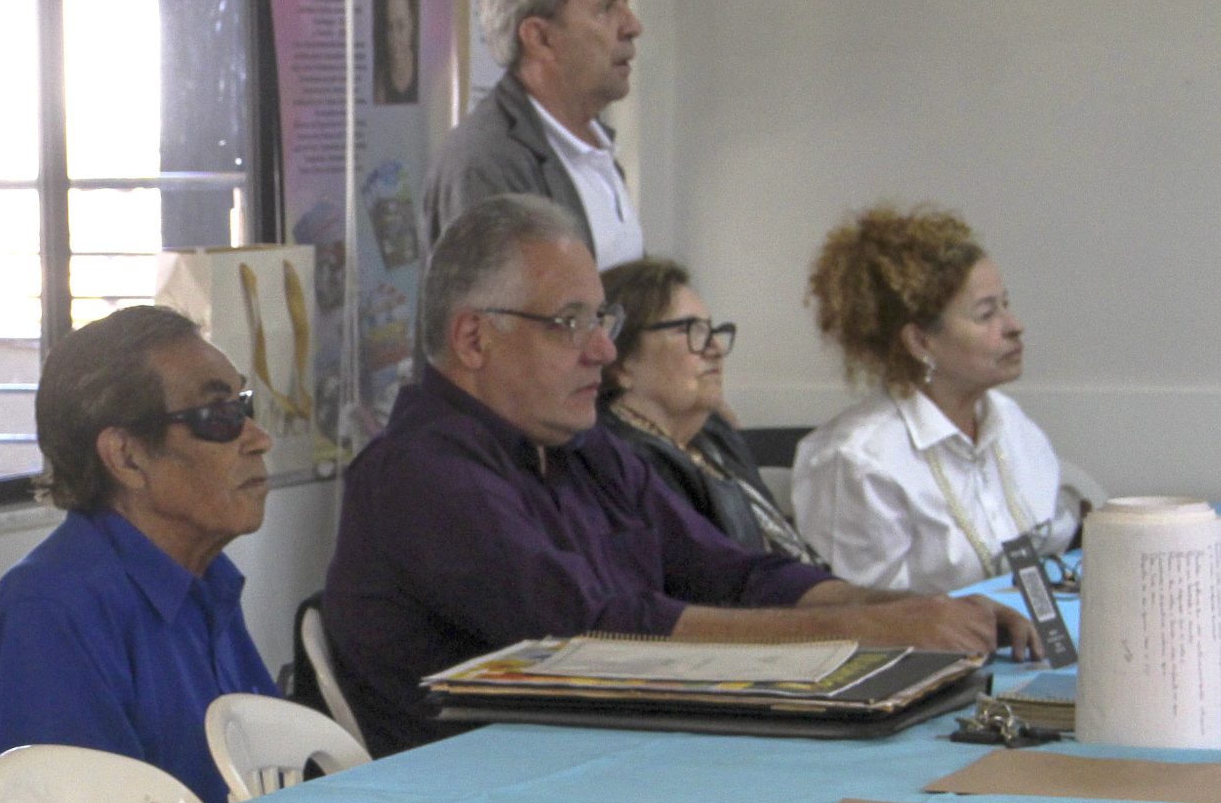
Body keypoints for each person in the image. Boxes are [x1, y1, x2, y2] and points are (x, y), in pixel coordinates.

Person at [322, 196, 1036, 757]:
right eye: (570, 323)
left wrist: (913, 609)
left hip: (614, 767)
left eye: (602, 320)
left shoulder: (582, 449)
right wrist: (872, 632)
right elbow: (599, 640)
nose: (603, 351)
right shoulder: (421, 476)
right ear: (474, 338)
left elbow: (734, 575)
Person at [0, 304, 278, 803]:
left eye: (244, 406)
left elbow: (275, 778)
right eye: (220, 416)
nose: (259, 439)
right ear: (127, 457)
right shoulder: (49, 615)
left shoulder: (205, 576)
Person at [792, 205, 1081, 592]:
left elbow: (1054, 552)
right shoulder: (857, 460)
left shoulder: (1010, 421)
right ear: (920, 342)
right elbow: (862, 614)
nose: (1014, 326)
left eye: (1006, 305)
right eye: (986, 314)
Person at [423, 0, 644, 266]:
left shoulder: (595, 147)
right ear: (540, 38)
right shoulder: (484, 164)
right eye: (605, 8)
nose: (632, 26)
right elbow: (497, 300)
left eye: (625, 4)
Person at [599, 256, 821, 563]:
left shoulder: (715, 435)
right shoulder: (620, 464)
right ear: (621, 361)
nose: (716, 347)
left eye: (711, 330)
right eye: (690, 330)